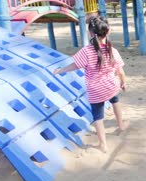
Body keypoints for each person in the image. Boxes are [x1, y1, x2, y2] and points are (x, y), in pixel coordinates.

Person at [53, 16, 129, 153]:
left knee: (98, 118)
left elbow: (75, 65)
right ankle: (121, 125)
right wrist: (123, 82)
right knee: (115, 101)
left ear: (90, 33)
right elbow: (120, 71)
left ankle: (103, 144)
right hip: (111, 85)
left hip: (96, 90)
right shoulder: (113, 50)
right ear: (108, 31)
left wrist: (61, 70)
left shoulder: (87, 51)